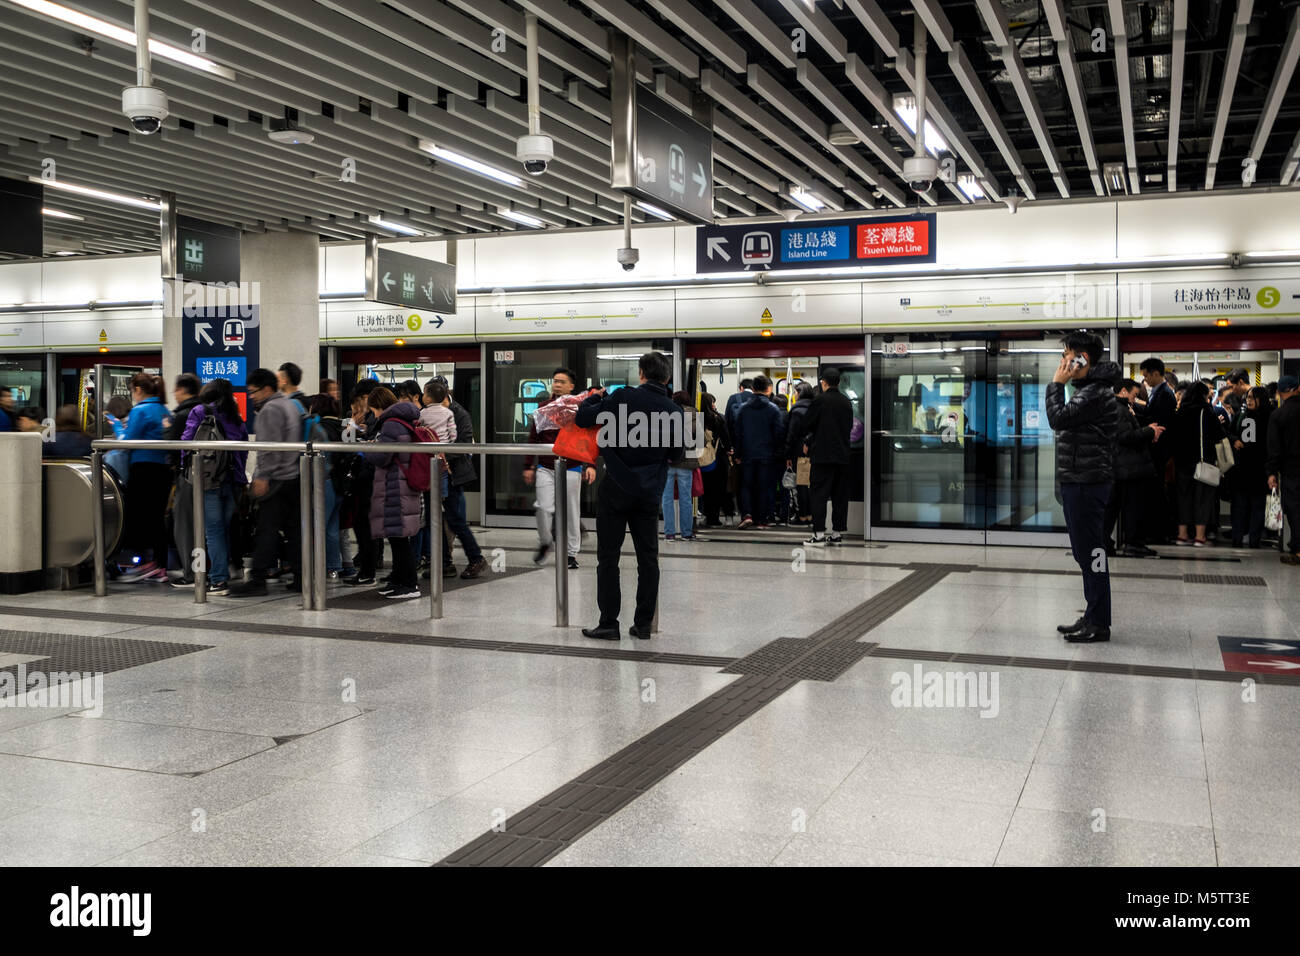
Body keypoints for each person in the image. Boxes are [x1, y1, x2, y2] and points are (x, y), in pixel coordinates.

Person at [575, 351, 682, 640]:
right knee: (649, 559)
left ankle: (609, 623)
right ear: (667, 378)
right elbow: (677, 454)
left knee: (608, 557)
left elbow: (583, 417)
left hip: (617, 489)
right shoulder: (674, 411)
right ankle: (643, 625)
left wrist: (595, 396)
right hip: (649, 494)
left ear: (641, 374)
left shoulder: (623, 397)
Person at [1045, 332, 1120, 644]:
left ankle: (1099, 622)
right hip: (1081, 480)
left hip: (1088, 483)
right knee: (1086, 553)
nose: (1064, 361)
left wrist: (1056, 384)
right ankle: (1092, 614)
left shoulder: (1095, 393)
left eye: (1068, 355)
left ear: (1082, 359)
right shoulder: (1089, 390)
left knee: (1093, 552)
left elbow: (1056, 418)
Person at [228, 368, 303, 597]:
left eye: (253, 392)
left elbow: (269, 448)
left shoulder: (270, 409)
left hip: (277, 478)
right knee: (295, 531)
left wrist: (262, 476)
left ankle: (258, 579)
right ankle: (301, 578)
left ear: (268, 389)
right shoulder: (290, 405)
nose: (251, 397)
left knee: (266, 530)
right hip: (293, 477)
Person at [179, 378, 248, 596]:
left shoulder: (200, 412)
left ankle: (218, 580)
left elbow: (187, 441)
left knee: (213, 531)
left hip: (209, 479)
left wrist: (185, 467)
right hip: (233, 480)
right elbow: (244, 450)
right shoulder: (236, 418)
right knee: (223, 529)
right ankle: (224, 571)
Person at [523, 367, 596, 569]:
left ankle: (571, 554)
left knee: (572, 512)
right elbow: (534, 438)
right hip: (545, 466)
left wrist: (590, 464)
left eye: (562, 381)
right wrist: (529, 464)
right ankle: (546, 541)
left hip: (571, 466)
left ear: (571, 386)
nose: (557, 384)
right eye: (555, 381)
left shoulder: (579, 408)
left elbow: (587, 438)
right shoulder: (544, 407)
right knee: (543, 507)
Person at [363, 386, 422, 599]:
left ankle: (409, 584)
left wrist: (368, 450)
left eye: (373, 410)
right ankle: (398, 579)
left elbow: (383, 457)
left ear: (379, 406)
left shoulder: (390, 424)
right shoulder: (402, 420)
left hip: (395, 486)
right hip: (402, 484)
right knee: (397, 535)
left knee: (398, 537)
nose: (373, 414)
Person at [120, 373, 171, 582]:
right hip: (163, 470)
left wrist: (116, 426)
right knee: (158, 517)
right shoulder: (163, 409)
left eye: (133, 390)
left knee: (138, 515)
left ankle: (142, 563)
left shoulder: (139, 411)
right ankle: (160, 565)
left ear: (138, 390)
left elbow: (127, 440)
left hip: (143, 469)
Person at [436, 379, 488, 579]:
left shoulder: (460, 414)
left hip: (454, 473)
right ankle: (445, 562)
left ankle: (476, 558)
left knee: (456, 519)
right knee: (438, 519)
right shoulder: (432, 410)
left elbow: (464, 443)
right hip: (437, 471)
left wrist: (442, 456)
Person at [1107, 379, 1164, 557]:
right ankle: (1133, 543)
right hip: (1128, 468)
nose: (1135, 398)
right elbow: (1124, 436)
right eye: (1134, 394)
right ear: (1123, 391)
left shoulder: (1119, 408)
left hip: (1124, 467)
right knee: (1132, 508)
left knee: (1116, 508)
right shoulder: (1118, 409)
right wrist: (1149, 431)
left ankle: (1107, 541)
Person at [801, 367, 854, 545]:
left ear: (823, 383)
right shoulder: (847, 402)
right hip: (843, 456)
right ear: (838, 382)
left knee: (819, 495)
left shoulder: (819, 401)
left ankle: (818, 535)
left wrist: (808, 441)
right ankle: (837, 533)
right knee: (840, 496)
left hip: (822, 456)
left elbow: (807, 423)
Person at [1171, 380, 1226, 547]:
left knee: (1183, 498)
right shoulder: (1207, 413)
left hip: (1182, 464)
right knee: (1202, 499)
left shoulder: (1180, 412)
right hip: (1204, 462)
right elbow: (1218, 436)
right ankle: (1200, 537)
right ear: (1203, 395)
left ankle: (1182, 534)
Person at [732, 374, 785, 530]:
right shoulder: (773, 409)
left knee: (746, 486)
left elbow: (738, 433)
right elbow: (779, 434)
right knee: (765, 487)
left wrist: (738, 454)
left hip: (747, 455)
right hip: (767, 456)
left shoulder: (743, 409)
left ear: (753, 389)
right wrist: (776, 453)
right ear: (768, 389)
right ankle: (762, 519)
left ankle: (747, 515)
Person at [342, 379, 381, 586]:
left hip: (369, 478)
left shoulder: (377, 419)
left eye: (362, 400)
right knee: (361, 523)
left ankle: (368, 570)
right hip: (359, 476)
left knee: (366, 524)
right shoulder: (355, 417)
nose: (359, 406)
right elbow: (345, 442)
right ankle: (367, 568)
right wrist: (353, 426)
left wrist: (360, 431)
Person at [414, 380, 456, 574]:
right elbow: (453, 436)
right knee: (440, 507)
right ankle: (441, 500)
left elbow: (417, 432)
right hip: (442, 462)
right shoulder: (449, 413)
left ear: (427, 396)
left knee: (430, 511)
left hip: (425, 463)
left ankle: (434, 555)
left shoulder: (421, 413)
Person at [167, 372, 203, 588]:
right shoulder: (207, 410)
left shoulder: (182, 415)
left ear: (182, 390)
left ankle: (191, 573)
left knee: (184, 524)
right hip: (208, 477)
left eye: (176, 389)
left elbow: (174, 448)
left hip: (186, 476)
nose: (174, 393)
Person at [307, 393, 346, 579]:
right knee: (332, 527)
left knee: (319, 526)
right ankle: (333, 567)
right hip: (342, 482)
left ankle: (322, 566)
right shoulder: (345, 425)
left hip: (325, 481)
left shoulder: (319, 427)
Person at [1229, 386, 1272, 549]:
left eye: (1253, 398)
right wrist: (1234, 440)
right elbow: (1228, 432)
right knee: (1241, 506)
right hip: (1242, 468)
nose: (1249, 401)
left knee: (1256, 506)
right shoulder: (1241, 416)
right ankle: (1238, 537)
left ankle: (1254, 539)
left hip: (1259, 469)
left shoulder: (1268, 417)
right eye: (1248, 398)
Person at [1266, 375, 1300, 564]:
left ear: (1280, 392)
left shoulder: (1278, 415)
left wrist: (1272, 472)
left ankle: (1298, 549)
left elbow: (1274, 448)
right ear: (1297, 389)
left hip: (1291, 470)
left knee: (1294, 509)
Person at [661, 390, 700, 541]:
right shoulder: (695, 414)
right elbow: (701, 440)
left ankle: (669, 533)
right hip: (686, 461)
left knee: (667, 498)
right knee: (685, 498)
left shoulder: (667, 413)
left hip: (668, 461)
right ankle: (686, 533)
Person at [697, 391, 732, 528]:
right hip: (718, 458)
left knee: (705, 490)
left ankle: (707, 516)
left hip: (702, 459)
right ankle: (715, 518)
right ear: (709, 404)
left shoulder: (696, 419)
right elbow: (726, 439)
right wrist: (729, 449)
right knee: (718, 489)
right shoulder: (718, 419)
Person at [783, 382, 815, 526]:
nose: (794, 395)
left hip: (800, 451)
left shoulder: (797, 411)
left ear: (800, 393)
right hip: (815, 450)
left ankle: (803, 516)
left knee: (802, 484)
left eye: (795, 393)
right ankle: (812, 514)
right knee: (812, 484)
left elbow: (791, 434)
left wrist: (788, 455)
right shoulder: (816, 407)